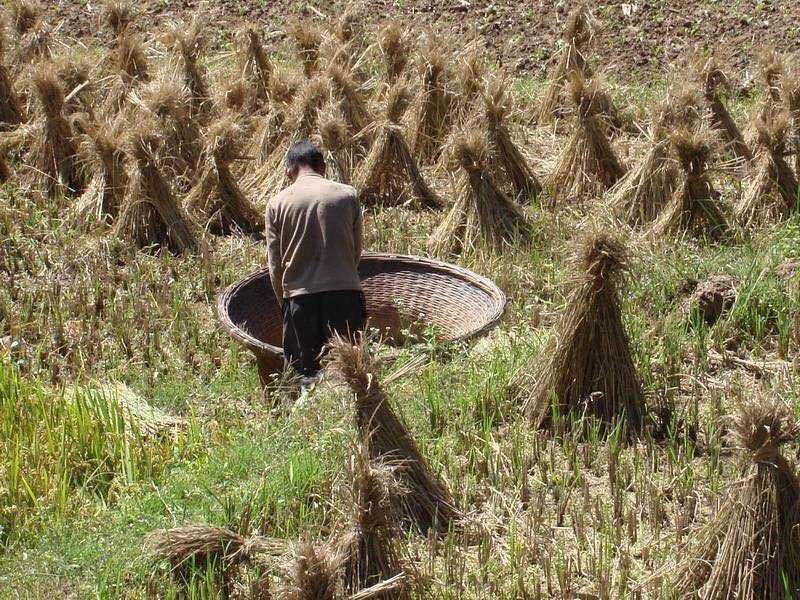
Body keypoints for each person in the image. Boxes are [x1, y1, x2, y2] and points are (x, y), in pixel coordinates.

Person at [266, 140, 366, 380]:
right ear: (323, 166)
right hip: (345, 294)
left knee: (306, 376)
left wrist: (286, 302)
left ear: (288, 171)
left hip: (300, 301)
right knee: (348, 374)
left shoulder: (277, 203)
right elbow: (356, 250)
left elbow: (275, 264)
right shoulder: (348, 194)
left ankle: (309, 413)